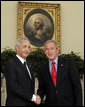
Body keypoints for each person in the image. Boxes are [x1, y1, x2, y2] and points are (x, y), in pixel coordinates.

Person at [37, 40, 82, 106]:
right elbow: (42, 88)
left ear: (57, 50)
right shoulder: (42, 68)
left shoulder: (68, 63)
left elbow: (77, 87)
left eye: (52, 48)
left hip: (68, 103)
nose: (49, 51)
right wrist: (38, 98)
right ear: (44, 52)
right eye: (47, 49)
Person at [5, 37, 41, 106]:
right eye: (24, 46)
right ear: (17, 48)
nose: (27, 50)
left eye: (29, 47)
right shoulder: (11, 63)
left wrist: (34, 96)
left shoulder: (29, 65)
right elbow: (14, 87)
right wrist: (33, 97)